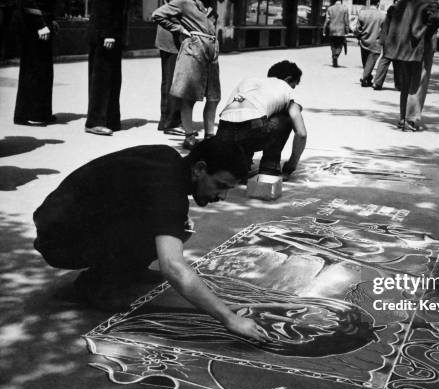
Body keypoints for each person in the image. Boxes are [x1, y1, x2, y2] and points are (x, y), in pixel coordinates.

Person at [33, 140, 269, 342]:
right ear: (199, 168)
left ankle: (125, 269)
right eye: (220, 185)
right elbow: (173, 267)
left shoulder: (167, 160)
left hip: (63, 221)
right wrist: (229, 319)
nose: (222, 196)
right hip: (60, 240)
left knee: (175, 226)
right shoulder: (169, 189)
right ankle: (97, 284)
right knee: (167, 229)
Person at [213, 60, 307, 179]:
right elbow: (301, 133)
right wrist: (291, 164)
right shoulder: (285, 88)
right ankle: (270, 168)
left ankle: (241, 164)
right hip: (253, 130)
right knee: (286, 117)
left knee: (254, 114)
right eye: (293, 86)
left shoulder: (249, 81)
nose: (292, 89)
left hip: (224, 133)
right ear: (288, 80)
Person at [153, 0, 220, 149]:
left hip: (211, 53)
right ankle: (189, 136)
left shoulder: (211, 8)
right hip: (194, 51)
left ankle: (209, 135)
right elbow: (157, 15)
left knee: (214, 97)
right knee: (188, 97)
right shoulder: (184, 2)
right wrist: (179, 29)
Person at [381, 0, 429, 132]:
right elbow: (417, 29)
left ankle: (402, 118)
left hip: (401, 51)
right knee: (414, 86)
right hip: (414, 50)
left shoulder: (398, 5)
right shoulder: (421, 5)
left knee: (405, 86)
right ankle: (409, 120)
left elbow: (389, 28)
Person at [85, 0, 128, 136]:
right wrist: (108, 33)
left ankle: (109, 120)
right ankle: (95, 122)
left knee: (112, 80)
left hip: (111, 35)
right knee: (101, 81)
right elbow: (102, 8)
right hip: (104, 36)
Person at [13, 0, 56, 126]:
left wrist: (51, 20)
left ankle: (40, 113)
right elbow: (28, 2)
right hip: (32, 26)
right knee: (32, 70)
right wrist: (40, 25)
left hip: (41, 24)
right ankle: (23, 114)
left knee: (44, 71)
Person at [415, 0, 439, 124]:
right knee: (423, 80)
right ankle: (416, 114)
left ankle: (408, 113)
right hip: (428, 48)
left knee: (414, 79)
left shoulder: (418, 9)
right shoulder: (438, 14)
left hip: (415, 46)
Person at [155, 1, 182, 135]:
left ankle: (167, 120)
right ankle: (170, 122)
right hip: (172, 40)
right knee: (172, 81)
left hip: (172, 40)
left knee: (170, 81)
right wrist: (179, 28)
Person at [354, 0, 385, 87]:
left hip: (364, 41)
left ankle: (367, 79)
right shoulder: (383, 16)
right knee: (371, 62)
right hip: (376, 43)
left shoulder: (362, 14)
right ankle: (364, 77)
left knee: (365, 63)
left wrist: (358, 37)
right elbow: (384, 31)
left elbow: (357, 29)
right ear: (378, 3)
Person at [323, 0, 349, 68]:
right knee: (340, 45)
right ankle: (336, 55)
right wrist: (347, 31)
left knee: (333, 44)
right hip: (341, 30)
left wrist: (324, 30)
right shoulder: (345, 8)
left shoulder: (330, 8)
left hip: (332, 30)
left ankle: (334, 56)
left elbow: (327, 20)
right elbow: (346, 21)